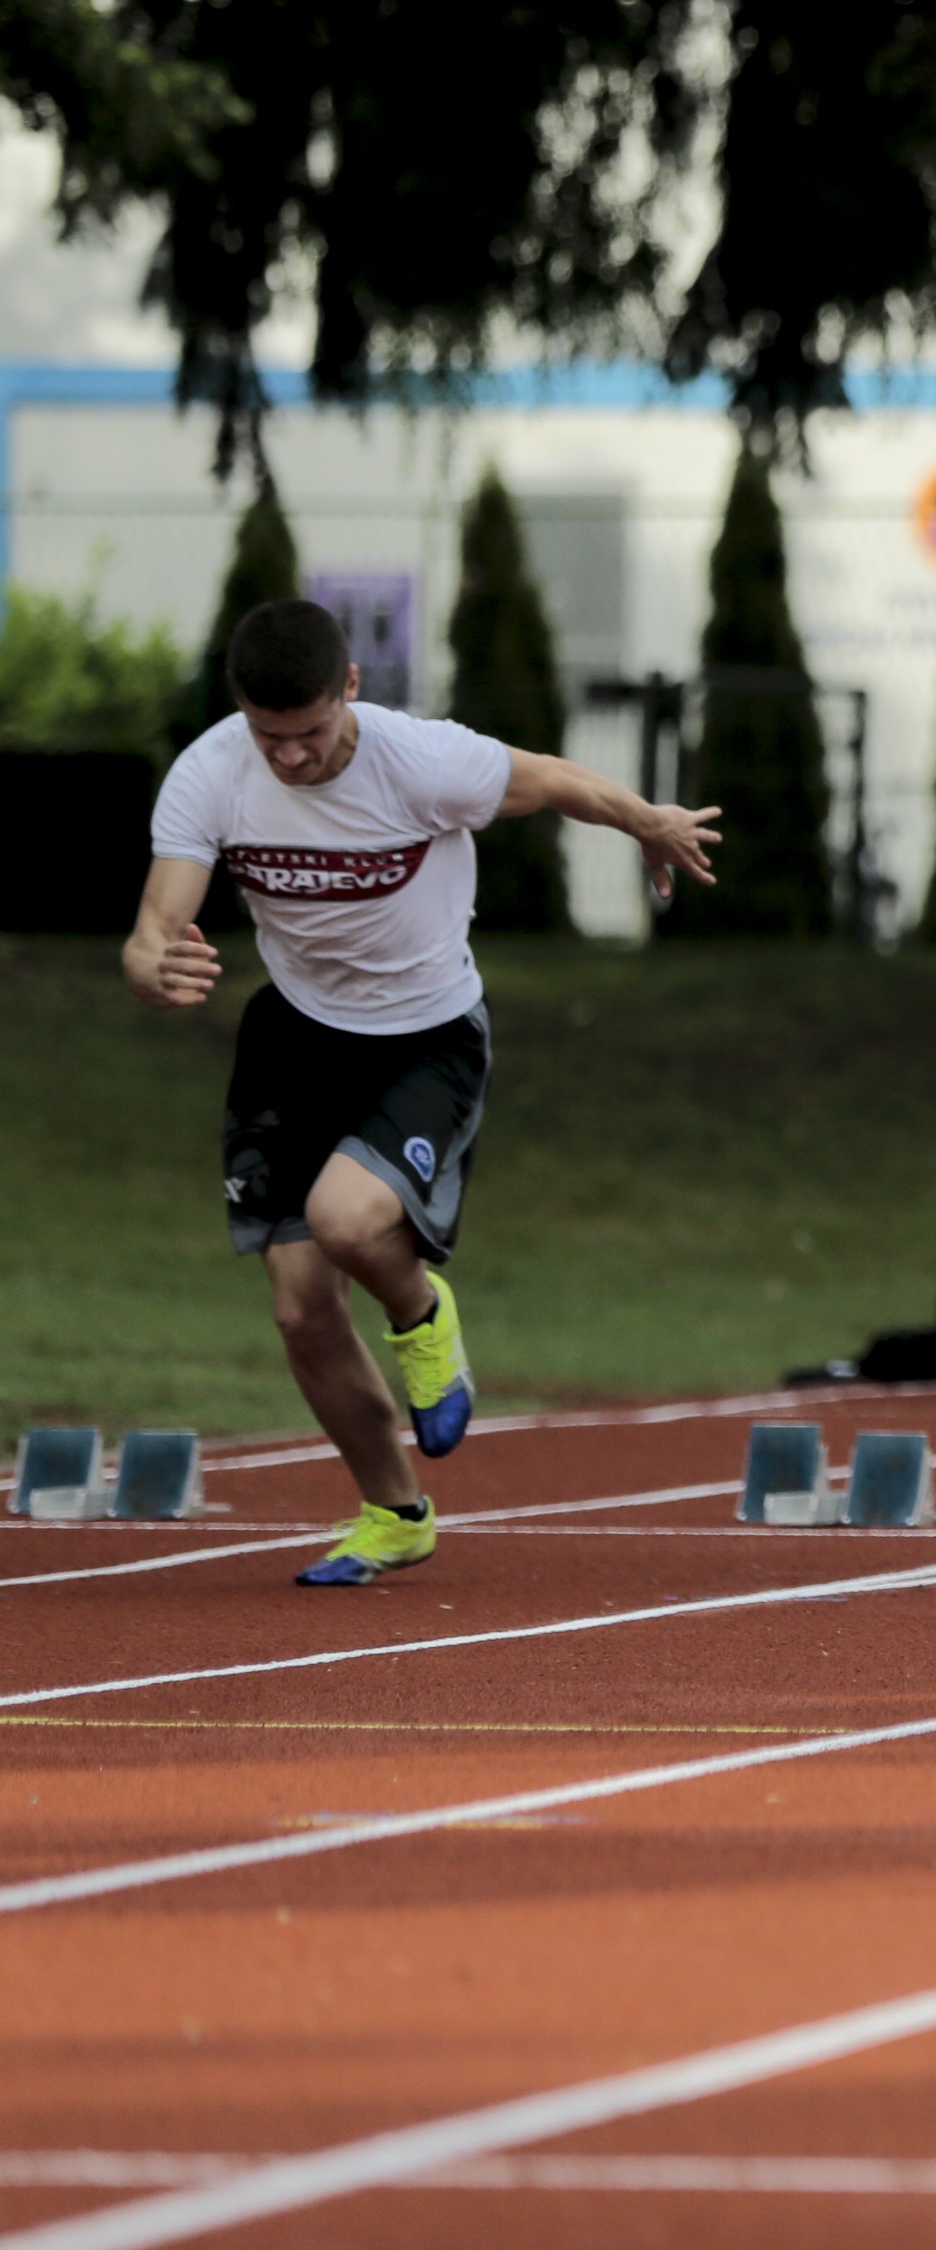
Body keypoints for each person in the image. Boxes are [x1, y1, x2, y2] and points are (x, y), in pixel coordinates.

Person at [125, 600, 724, 1586]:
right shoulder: (211, 773)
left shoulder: (421, 760)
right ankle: (395, 1513)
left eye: (313, 731)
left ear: (352, 688)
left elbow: (554, 778)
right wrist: (154, 969)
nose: (292, 757)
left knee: (348, 1221)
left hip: (424, 1036)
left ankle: (419, 1311)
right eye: (271, 737)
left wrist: (647, 821)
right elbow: (157, 924)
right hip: (296, 1038)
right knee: (299, 1309)